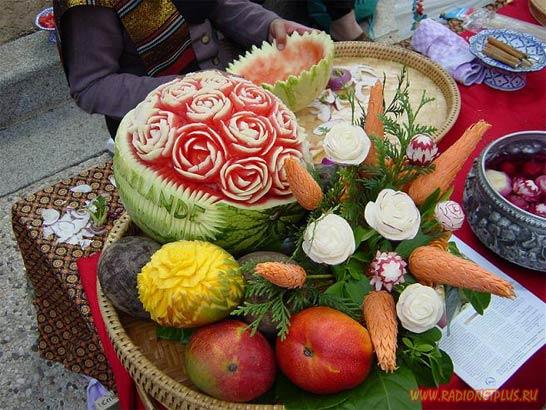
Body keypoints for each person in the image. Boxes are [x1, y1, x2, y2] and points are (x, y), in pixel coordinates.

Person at [52, 0, 312, 137]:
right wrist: (188, 88)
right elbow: (92, 86)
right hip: (161, 131)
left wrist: (269, 25)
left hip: (227, 98)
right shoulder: (88, 5)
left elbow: (219, 4)